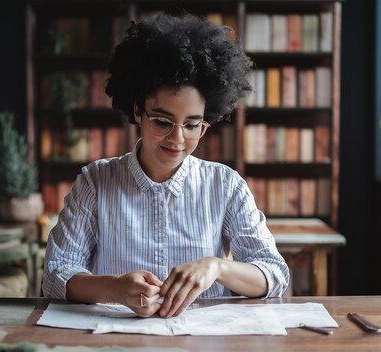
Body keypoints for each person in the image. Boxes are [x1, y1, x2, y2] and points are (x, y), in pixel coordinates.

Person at [43, 13, 289, 318]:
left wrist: (218, 267)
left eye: (191, 125)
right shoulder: (96, 181)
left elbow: (275, 275)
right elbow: (55, 274)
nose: (177, 138)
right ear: (137, 112)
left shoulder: (226, 186)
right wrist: (114, 287)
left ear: (204, 127)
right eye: (162, 121)